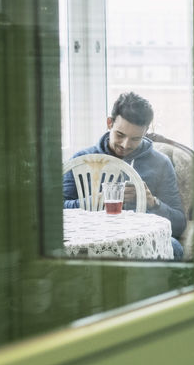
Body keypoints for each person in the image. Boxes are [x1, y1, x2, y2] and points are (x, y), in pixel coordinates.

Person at [63, 92, 187, 260]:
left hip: (141, 239)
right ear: (109, 123)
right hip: (94, 238)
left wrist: (153, 202)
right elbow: (58, 209)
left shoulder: (161, 163)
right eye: (120, 135)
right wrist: (94, 201)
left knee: (173, 247)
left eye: (135, 138)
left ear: (146, 131)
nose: (125, 145)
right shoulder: (82, 161)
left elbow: (179, 224)